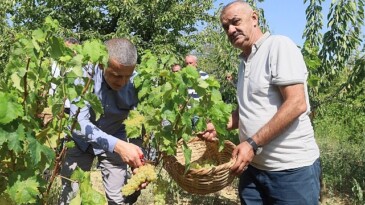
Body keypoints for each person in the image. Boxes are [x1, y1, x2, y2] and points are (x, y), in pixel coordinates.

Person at [203, 1, 321, 204]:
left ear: (254, 18)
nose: (231, 30)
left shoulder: (278, 46)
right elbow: (246, 111)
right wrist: (218, 125)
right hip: (253, 170)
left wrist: (252, 144)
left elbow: (297, 103)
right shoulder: (245, 62)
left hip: (291, 171)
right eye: (226, 27)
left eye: (235, 22)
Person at [59, 38, 145, 205]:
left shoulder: (137, 82)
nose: (122, 82)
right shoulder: (82, 75)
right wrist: (118, 146)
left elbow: (137, 123)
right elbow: (79, 122)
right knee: (71, 198)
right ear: (101, 64)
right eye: (116, 75)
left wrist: (138, 161)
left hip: (115, 137)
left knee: (119, 199)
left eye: (127, 76)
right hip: (80, 141)